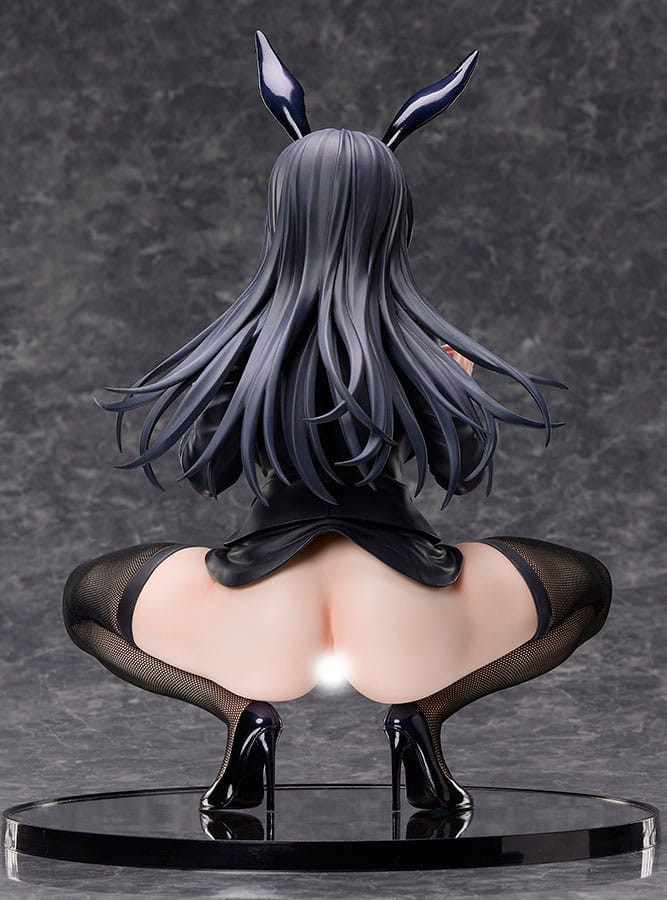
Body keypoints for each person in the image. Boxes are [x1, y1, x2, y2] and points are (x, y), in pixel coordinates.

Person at [62, 32, 612, 816]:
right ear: (391, 218)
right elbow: (455, 475)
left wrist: (248, 384)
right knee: (583, 587)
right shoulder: (421, 351)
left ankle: (241, 716)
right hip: (406, 604)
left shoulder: (244, 351)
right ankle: (422, 717)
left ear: (284, 213)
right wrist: (451, 384)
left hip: (258, 606)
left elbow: (209, 474)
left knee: (87, 599)